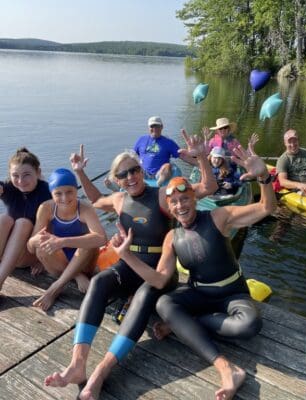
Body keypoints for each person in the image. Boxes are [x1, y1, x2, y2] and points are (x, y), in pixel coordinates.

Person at [44, 132, 217, 399]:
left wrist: (202, 157)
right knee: (99, 281)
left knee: (145, 294)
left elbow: (208, 187)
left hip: (160, 271)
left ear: (141, 169)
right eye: (123, 175)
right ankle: (77, 364)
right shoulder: (119, 200)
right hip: (130, 264)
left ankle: (101, 372)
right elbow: (95, 199)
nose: (130, 177)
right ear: (116, 180)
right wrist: (79, 173)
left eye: (134, 170)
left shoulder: (161, 196)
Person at [106, 145, 276, 400]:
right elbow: (159, 280)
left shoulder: (219, 217)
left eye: (185, 199)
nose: (180, 206)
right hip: (199, 293)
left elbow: (266, 208)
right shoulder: (172, 238)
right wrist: (126, 255)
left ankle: (182, 325)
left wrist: (263, 177)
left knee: (250, 325)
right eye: (173, 202)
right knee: (164, 303)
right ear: (169, 207)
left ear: (195, 199)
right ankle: (225, 367)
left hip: (232, 293)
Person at [27, 168, 107, 311]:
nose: (65, 198)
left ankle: (55, 288)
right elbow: (30, 247)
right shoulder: (46, 208)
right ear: (51, 194)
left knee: (88, 242)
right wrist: (35, 241)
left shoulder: (85, 208)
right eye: (58, 193)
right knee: (41, 247)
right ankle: (76, 275)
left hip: (84, 263)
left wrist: (62, 242)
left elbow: (101, 239)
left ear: (76, 189)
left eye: (69, 191)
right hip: (59, 265)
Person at [0, 148, 51, 293]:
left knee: (23, 223)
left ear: (38, 172)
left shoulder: (48, 192)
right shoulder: (8, 188)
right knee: (4, 218)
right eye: (15, 175)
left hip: (28, 254)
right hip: (5, 254)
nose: (21, 181)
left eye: (27, 175)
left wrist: (44, 261)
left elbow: (59, 227)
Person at [133, 116, 196, 186]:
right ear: (149, 127)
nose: (154, 129)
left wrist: (198, 162)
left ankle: (159, 184)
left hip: (160, 174)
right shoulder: (141, 139)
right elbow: (132, 156)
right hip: (143, 173)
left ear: (162, 127)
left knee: (169, 166)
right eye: (152, 126)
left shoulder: (168, 142)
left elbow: (183, 156)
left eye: (157, 126)